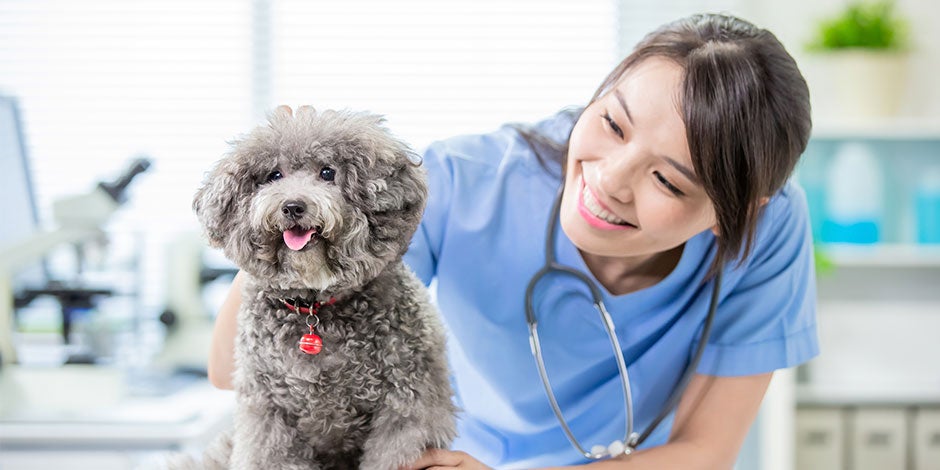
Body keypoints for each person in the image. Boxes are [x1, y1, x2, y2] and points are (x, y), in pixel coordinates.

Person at [207, 13, 818, 469]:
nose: (609, 179)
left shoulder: (768, 231)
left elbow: (706, 449)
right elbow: (230, 369)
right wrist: (296, 197)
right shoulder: (466, 182)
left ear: (737, 210)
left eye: (666, 179)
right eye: (611, 122)